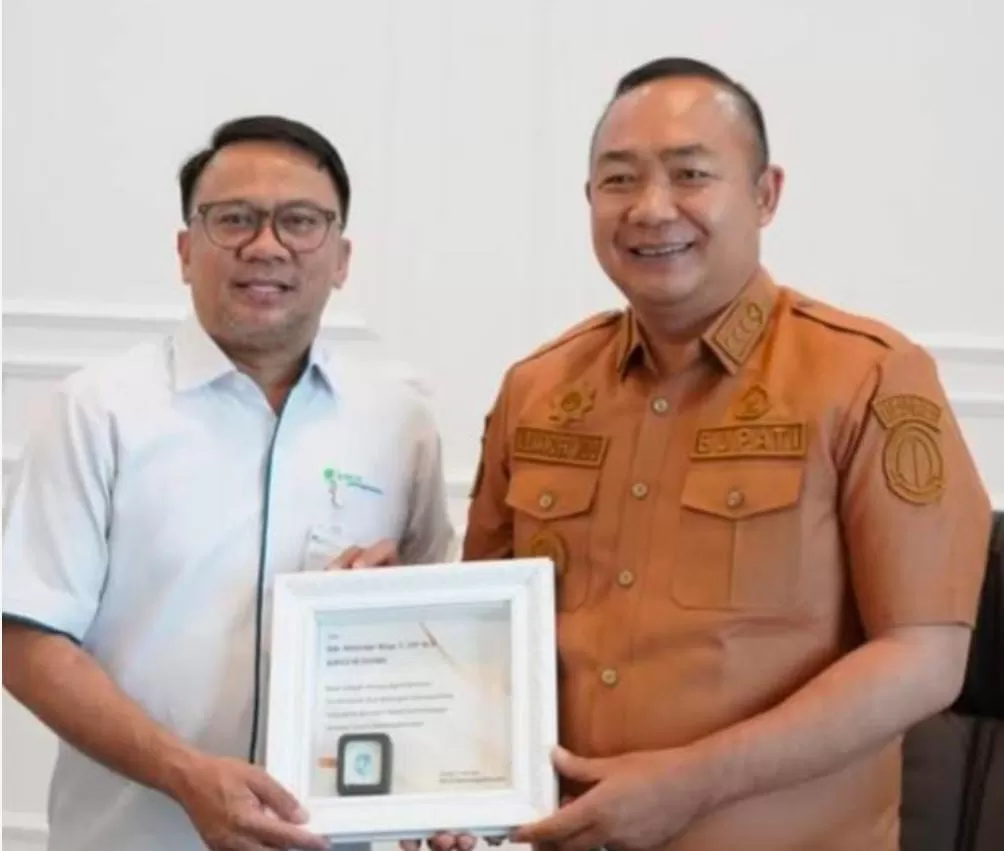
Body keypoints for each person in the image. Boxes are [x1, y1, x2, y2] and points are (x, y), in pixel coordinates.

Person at [450, 57, 993, 851]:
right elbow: (479, 630)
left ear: (766, 194)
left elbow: (925, 657)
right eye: (619, 179)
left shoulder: (871, 377)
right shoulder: (535, 388)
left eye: (691, 174)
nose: (651, 208)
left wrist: (691, 783)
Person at [2, 115, 453, 851]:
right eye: (234, 219)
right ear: (186, 251)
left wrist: (390, 608)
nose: (266, 246)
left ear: (341, 258)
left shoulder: (399, 422)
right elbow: (24, 641)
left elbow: (438, 635)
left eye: (300, 221)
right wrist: (184, 774)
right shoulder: (98, 409)